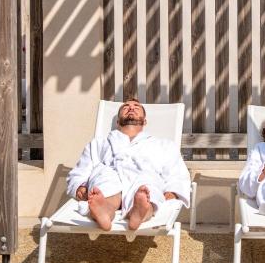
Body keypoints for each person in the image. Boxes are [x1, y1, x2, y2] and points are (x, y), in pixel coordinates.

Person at [66, 99, 191, 231]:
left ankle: (140, 211)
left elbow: (177, 172)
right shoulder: (98, 144)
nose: (131, 108)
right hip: (110, 175)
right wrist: (79, 186)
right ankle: (105, 210)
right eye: (125, 107)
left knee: (147, 186)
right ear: (118, 121)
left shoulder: (164, 145)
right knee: (105, 179)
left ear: (145, 121)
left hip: (144, 176)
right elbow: (80, 171)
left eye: (136, 106)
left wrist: (173, 191)